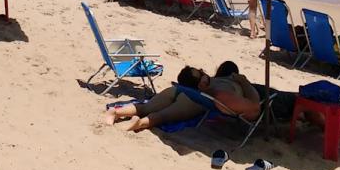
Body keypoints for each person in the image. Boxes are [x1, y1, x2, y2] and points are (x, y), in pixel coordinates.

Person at [104, 65, 261, 132]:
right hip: (193, 101)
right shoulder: (230, 87)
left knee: (145, 107)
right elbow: (254, 108)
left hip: (177, 90)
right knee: (161, 117)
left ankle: (116, 112)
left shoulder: (210, 78)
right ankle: (138, 123)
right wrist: (244, 82)